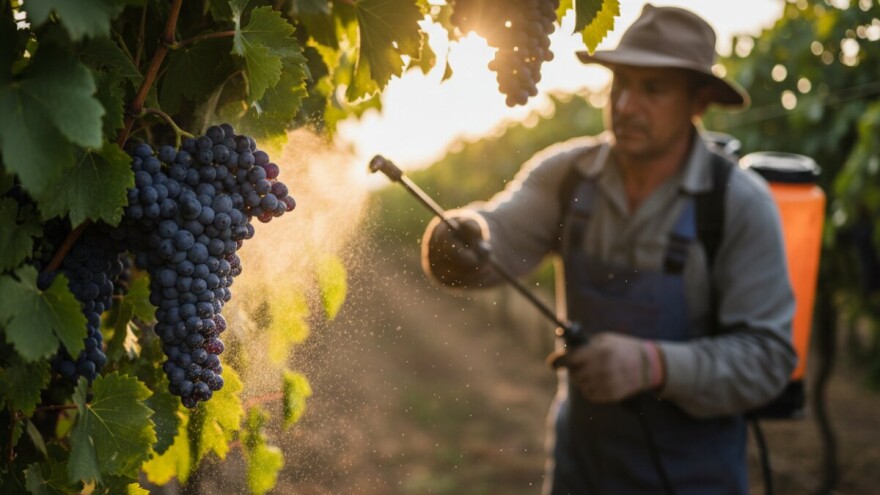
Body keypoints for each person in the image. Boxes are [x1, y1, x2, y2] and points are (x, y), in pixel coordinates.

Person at [420, 4, 797, 495]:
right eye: (620, 84)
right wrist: (461, 236)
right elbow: (499, 232)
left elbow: (768, 361)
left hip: (693, 480)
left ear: (699, 102)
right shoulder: (567, 176)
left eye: (653, 89)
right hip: (581, 472)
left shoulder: (738, 205)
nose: (625, 105)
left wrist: (652, 365)